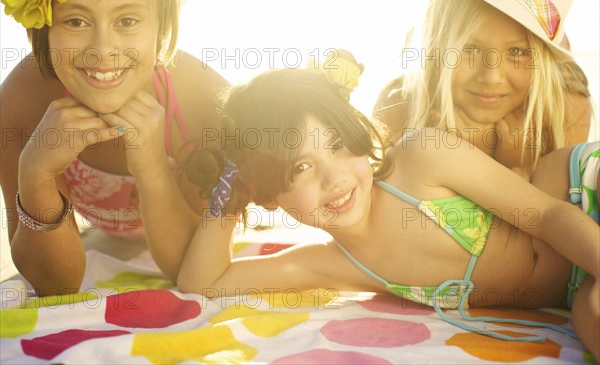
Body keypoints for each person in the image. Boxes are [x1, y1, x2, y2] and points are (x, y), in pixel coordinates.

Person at [176, 69, 599, 359]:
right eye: (301, 167)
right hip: (574, 286)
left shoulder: (421, 158)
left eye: (339, 144)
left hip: (581, 196)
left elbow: (546, 216)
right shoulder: (338, 265)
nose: (335, 177)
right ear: (266, 195)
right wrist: (229, 194)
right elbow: (204, 283)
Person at [0, 0, 228, 295]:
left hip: (186, 234)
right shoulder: (20, 103)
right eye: (75, 21)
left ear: (161, 24)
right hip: (101, 238)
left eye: (127, 21)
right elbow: (56, 285)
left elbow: (195, 270)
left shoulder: (205, 102)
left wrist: (152, 168)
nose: (103, 51)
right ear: (44, 27)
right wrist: (36, 174)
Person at [373, 0, 592, 177]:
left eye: (516, 52)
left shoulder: (566, 108)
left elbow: (561, 213)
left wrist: (520, 168)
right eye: (470, 49)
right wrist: (460, 159)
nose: (492, 76)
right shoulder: (398, 108)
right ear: (436, 44)